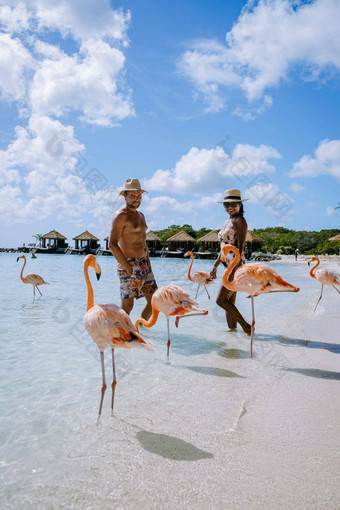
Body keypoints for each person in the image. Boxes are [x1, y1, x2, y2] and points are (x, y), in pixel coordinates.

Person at [108, 178, 157, 320]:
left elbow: (143, 240)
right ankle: (121, 336)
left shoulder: (141, 215)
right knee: (127, 306)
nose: (136, 199)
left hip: (145, 264)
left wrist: (148, 261)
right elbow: (112, 244)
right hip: (128, 263)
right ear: (125, 196)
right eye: (132, 196)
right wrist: (127, 267)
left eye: (139, 196)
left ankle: (139, 330)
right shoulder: (120, 216)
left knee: (153, 302)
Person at [210, 189, 251, 334]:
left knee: (220, 301)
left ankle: (246, 327)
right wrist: (215, 266)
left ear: (240, 204)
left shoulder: (240, 220)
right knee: (230, 301)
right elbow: (223, 247)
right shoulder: (228, 220)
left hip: (235, 264)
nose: (229, 207)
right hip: (226, 264)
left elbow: (240, 247)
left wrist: (234, 270)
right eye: (226, 205)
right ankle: (232, 334)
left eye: (233, 204)